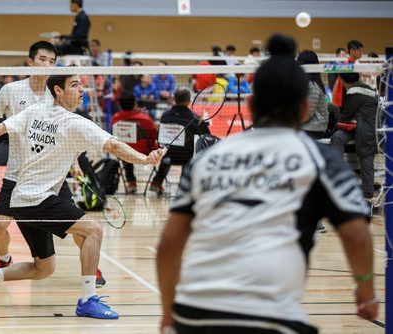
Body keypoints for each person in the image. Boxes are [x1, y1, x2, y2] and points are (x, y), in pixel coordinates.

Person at [157, 34, 377, 334]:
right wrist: (366, 291)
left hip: (192, 314)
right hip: (270, 319)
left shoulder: (208, 159)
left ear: (250, 103)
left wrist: (169, 313)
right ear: (303, 109)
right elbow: (357, 236)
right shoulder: (318, 159)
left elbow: (169, 245)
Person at [0, 73, 165, 319]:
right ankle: (88, 299)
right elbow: (114, 146)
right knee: (93, 230)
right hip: (37, 200)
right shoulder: (76, 122)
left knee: (43, 268)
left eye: (82, 84)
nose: (82, 89)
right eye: (74, 84)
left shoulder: (35, 111)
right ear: (58, 90)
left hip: (21, 201)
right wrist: (145, 159)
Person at [0, 41, 108, 287]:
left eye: (52, 61)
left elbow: (67, 131)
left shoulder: (56, 92)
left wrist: (75, 163)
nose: (48, 64)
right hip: (17, 175)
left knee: (80, 228)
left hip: (51, 175)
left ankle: (92, 268)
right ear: (30, 62)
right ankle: (4, 259)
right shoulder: (11, 91)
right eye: (43, 59)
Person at [331, 72, 378, 210]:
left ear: (342, 81)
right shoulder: (366, 88)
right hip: (359, 128)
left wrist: (332, 128)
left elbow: (345, 116)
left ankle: (368, 197)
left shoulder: (354, 92)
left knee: (366, 161)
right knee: (338, 137)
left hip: (367, 132)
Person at [149, 88, 210, 194]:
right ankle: (182, 187)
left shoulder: (165, 116)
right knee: (189, 153)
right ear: (189, 101)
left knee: (169, 152)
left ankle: (156, 182)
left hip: (167, 155)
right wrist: (203, 123)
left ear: (174, 99)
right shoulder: (195, 119)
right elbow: (207, 136)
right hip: (186, 157)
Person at [111, 92, 159, 194]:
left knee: (124, 148)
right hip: (145, 151)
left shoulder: (115, 118)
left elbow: (113, 135)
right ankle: (157, 182)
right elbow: (154, 134)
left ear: (120, 104)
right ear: (134, 103)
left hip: (124, 151)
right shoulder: (145, 118)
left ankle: (131, 182)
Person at [297, 50, 328, 140]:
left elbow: (307, 114)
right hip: (307, 127)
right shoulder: (306, 83)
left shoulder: (312, 86)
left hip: (314, 129)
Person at [332, 40, 363, 108]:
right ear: (352, 51)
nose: (362, 53)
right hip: (343, 98)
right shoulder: (347, 65)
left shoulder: (353, 64)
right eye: (360, 51)